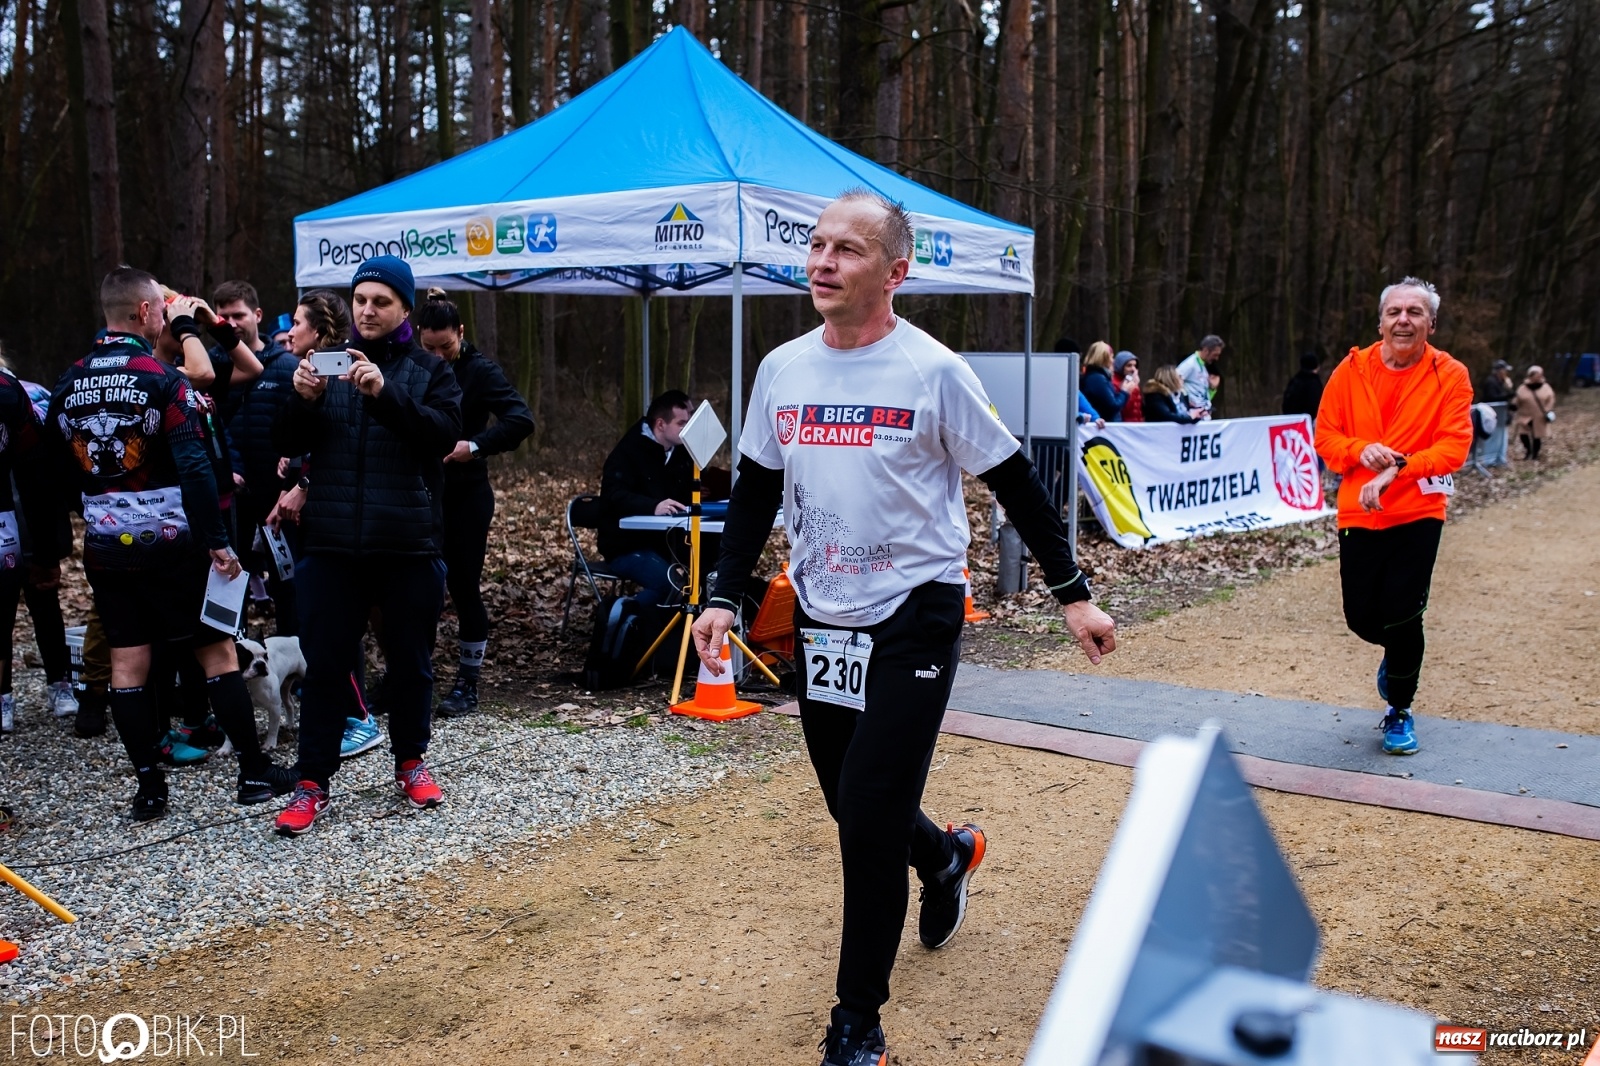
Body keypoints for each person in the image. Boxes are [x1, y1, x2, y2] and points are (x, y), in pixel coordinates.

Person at [689, 190, 1117, 1066]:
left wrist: (1074, 592)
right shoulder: (783, 369)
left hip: (915, 615)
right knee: (856, 806)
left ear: (894, 270)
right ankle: (948, 853)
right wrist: (725, 596)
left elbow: (1017, 482)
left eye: (847, 249)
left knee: (867, 821)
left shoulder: (933, 370)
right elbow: (757, 494)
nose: (822, 261)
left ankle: (858, 1024)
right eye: (816, 244)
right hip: (823, 617)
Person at [45, 267, 297, 821]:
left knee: (128, 664)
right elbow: (193, 465)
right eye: (161, 308)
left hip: (108, 545)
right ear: (143, 314)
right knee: (216, 652)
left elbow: (54, 469)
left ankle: (149, 788)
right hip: (174, 542)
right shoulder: (161, 379)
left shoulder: (66, 383)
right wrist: (217, 543)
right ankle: (254, 773)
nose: (165, 313)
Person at [271, 255, 462, 837]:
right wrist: (300, 398)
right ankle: (312, 783)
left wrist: (384, 395)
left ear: (405, 308)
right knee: (325, 666)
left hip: (406, 543)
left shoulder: (430, 369)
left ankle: (410, 760)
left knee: (410, 663)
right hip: (330, 544)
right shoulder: (320, 367)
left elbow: (442, 435)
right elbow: (286, 445)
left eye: (381, 301)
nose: (368, 310)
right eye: (360, 300)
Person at [1314, 276, 1472, 757]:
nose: (1404, 320)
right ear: (1380, 321)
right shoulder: (1350, 370)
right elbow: (1326, 437)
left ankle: (1399, 708)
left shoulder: (1451, 374)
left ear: (1431, 323)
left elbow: (1453, 445)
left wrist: (1400, 466)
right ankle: (1396, 656)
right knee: (1361, 617)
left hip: (1419, 510)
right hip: (1360, 512)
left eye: (1415, 312)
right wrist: (1364, 453)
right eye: (1395, 312)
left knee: (1404, 613)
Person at [262, 290, 384, 760]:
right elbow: (295, 434)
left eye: (297, 322)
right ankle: (332, 708)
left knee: (331, 622)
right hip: (304, 517)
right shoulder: (306, 374)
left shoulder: (342, 372)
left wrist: (304, 484)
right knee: (311, 621)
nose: (289, 330)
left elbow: (344, 444)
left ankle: (359, 716)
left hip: (336, 518)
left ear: (319, 330)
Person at [414, 289, 535, 717]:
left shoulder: (480, 371)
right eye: (428, 347)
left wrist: (476, 445)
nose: (437, 356)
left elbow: (521, 419)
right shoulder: (413, 366)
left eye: (445, 347)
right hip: (420, 494)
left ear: (460, 334)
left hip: (466, 495)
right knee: (413, 587)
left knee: (463, 587)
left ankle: (468, 681)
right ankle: (408, 677)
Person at [598, 390, 697, 606]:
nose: (688, 429)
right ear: (660, 424)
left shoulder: (681, 451)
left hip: (668, 543)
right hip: (625, 546)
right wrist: (653, 506)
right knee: (672, 587)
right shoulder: (627, 452)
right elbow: (613, 496)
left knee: (706, 579)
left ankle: (674, 632)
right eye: (681, 423)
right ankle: (623, 615)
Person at [1512, 365, 1555, 460]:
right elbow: (1517, 399)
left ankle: (1535, 454)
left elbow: (1551, 399)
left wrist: (1547, 410)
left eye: (1540, 374)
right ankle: (1528, 451)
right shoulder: (1523, 387)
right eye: (1537, 374)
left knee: (1537, 436)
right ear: (1531, 375)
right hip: (1525, 415)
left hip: (1539, 416)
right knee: (1523, 434)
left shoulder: (1545, 387)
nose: (1539, 376)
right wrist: (1514, 405)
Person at [1079, 342, 1130, 422]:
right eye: (1111, 357)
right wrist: (1124, 391)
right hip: (1103, 425)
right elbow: (1113, 406)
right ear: (1104, 358)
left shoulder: (1096, 376)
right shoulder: (1097, 379)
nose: (1113, 361)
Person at [1176, 334, 1224, 418]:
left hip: (1204, 415)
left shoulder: (1204, 366)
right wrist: (1185, 400)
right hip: (1192, 416)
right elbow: (1173, 381)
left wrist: (1212, 388)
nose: (1216, 358)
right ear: (1206, 350)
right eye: (1215, 355)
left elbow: (1203, 395)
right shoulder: (1190, 364)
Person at [1282, 352, 1324, 419]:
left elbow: (1286, 405)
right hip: (1308, 423)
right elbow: (1315, 406)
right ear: (1316, 366)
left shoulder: (1294, 381)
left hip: (1290, 422)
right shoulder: (1314, 383)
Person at [1113, 350, 1143, 422]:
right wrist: (1133, 387)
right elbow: (1126, 408)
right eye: (1129, 365)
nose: (1133, 369)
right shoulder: (1115, 383)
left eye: (1135, 366)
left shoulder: (1130, 381)